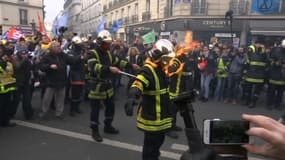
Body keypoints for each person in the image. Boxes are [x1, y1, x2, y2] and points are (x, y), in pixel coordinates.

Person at [124, 39, 182, 160]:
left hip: (161, 115)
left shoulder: (160, 68)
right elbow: (138, 83)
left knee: (157, 143)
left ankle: (154, 156)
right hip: (152, 117)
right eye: (166, 59)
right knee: (150, 147)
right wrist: (132, 97)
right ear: (158, 57)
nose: (168, 61)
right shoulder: (148, 70)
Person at [87, 30, 140, 142]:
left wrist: (131, 65)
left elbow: (118, 61)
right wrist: (109, 68)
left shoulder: (108, 53)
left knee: (110, 107)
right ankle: (94, 131)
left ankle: (108, 126)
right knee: (95, 110)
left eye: (109, 43)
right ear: (100, 43)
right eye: (107, 43)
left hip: (107, 85)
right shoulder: (92, 53)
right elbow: (93, 66)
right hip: (96, 85)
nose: (109, 45)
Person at [38, 41, 82, 120]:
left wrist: (80, 57)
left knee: (60, 98)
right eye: (58, 46)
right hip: (51, 81)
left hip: (62, 81)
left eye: (59, 46)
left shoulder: (63, 55)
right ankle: (44, 112)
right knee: (47, 99)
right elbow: (41, 66)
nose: (60, 47)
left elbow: (72, 60)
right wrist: (49, 66)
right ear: (53, 48)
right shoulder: (47, 56)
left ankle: (59, 113)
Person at [242, 40, 268, 108]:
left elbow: (267, 62)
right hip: (250, 74)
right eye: (257, 44)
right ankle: (247, 101)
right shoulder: (251, 52)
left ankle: (253, 102)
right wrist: (245, 73)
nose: (258, 45)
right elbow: (247, 63)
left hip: (259, 75)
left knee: (256, 91)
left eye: (259, 44)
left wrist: (264, 50)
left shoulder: (264, 53)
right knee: (248, 89)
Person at [0, 45, 17, 127]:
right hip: (1, 87)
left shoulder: (7, 60)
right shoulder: (3, 61)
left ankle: (5, 121)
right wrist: (3, 61)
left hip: (7, 87)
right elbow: (1, 69)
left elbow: (13, 72)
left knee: (6, 105)